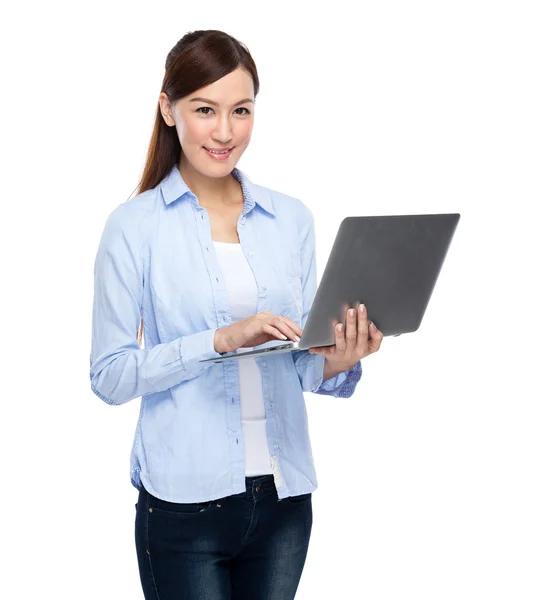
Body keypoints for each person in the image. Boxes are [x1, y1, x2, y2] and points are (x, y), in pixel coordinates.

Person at [89, 29, 383, 600]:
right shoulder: (134, 228)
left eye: (241, 110)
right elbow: (110, 376)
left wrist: (339, 357)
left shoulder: (291, 220)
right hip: (183, 505)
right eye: (205, 109)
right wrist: (218, 341)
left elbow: (297, 369)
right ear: (168, 111)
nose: (225, 132)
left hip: (284, 501)